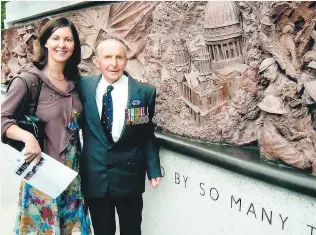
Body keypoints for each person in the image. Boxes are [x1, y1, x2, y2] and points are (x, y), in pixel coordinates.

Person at [1, 18, 92, 235]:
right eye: (56, 38)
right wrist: (27, 138)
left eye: (68, 39)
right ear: (45, 43)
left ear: (74, 46)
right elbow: (3, 120)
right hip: (42, 173)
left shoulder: (76, 81)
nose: (62, 44)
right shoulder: (30, 80)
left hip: (72, 176)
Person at [79, 37, 162, 235]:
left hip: (129, 177)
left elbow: (145, 135)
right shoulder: (82, 86)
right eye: (107, 57)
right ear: (96, 61)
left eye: (119, 57)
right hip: (95, 177)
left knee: (131, 230)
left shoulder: (143, 92)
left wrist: (153, 169)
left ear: (126, 61)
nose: (113, 63)